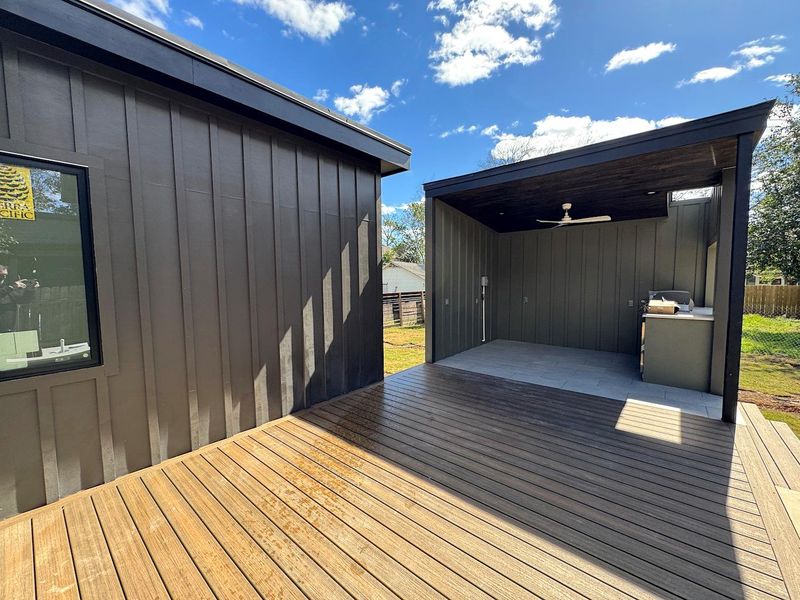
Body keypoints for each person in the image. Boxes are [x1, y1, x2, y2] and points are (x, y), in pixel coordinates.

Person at [0, 264, 38, 333]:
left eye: (5, 275)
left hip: (7, 330)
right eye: (2, 275)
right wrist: (11, 287)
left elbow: (24, 300)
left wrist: (31, 289)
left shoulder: (8, 291)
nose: (4, 277)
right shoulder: (8, 289)